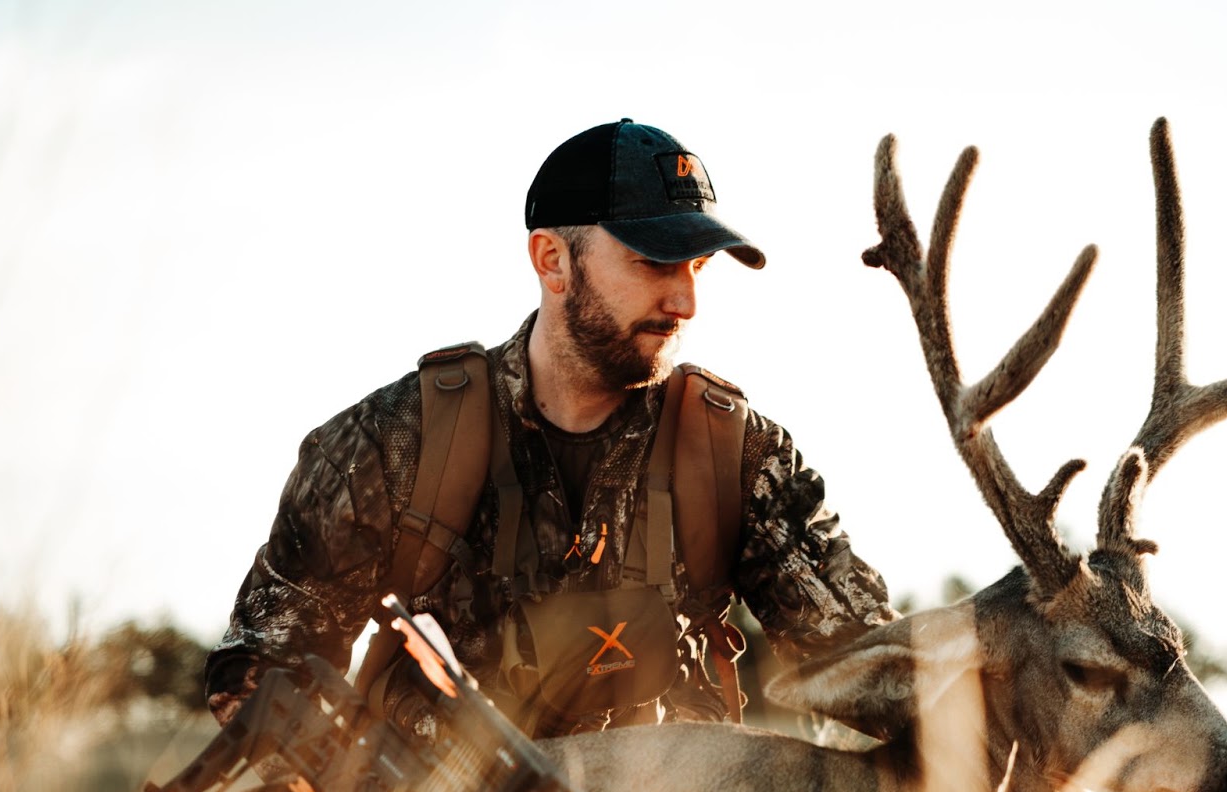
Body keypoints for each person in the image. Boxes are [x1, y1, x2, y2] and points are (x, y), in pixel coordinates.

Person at [204, 119, 895, 739]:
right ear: (552, 261)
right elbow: (261, 667)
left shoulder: (737, 454)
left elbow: (870, 666)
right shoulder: (394, 443)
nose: (685, 300)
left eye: (698, 267)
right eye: (654, 262)